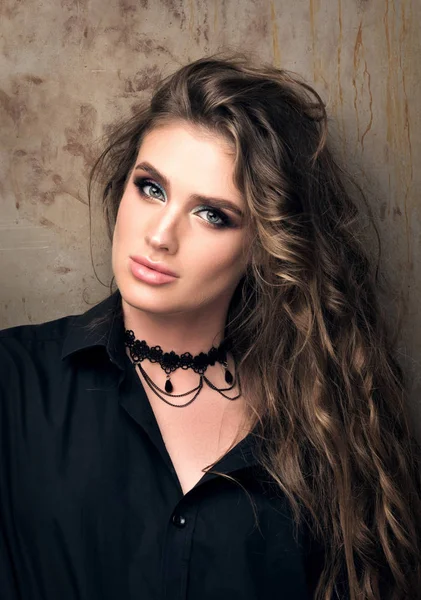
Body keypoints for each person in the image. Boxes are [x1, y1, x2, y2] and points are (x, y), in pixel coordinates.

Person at [1, 53, 420, 600]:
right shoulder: (15, 381)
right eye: (151, 188)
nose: (159, 235)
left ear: (265, 247)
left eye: (212, 214)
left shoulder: (323, 423)